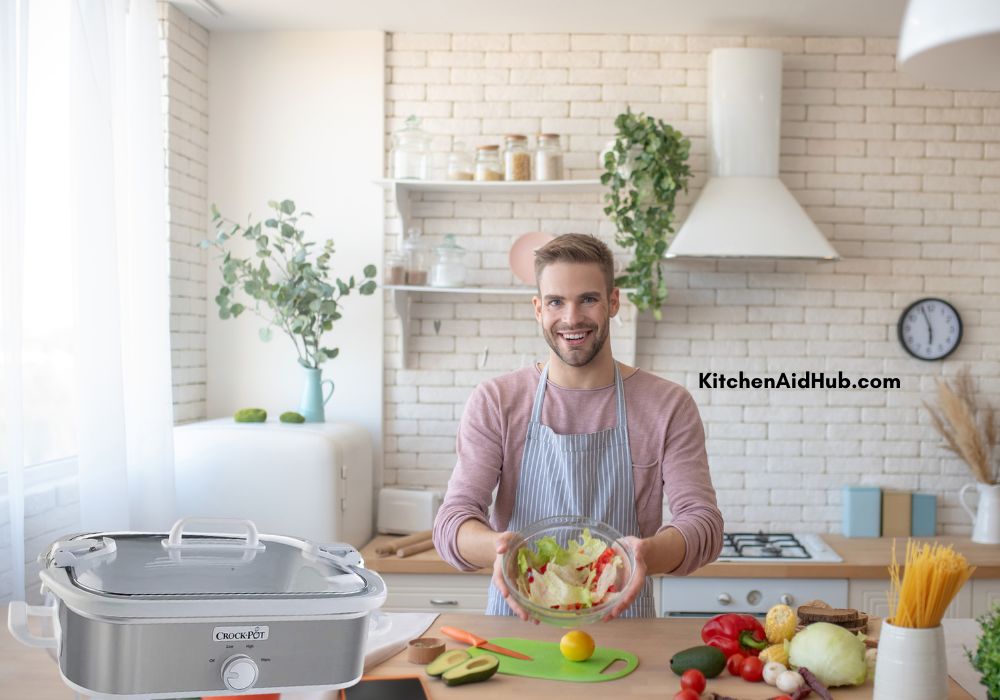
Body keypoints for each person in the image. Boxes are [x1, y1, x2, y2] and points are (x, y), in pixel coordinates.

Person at [432, 233, 723, 620]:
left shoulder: (667, 405)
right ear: (538, 309)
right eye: (556, 302)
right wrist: (500, 549)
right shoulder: (497, 401)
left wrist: (644, 555)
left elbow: (703, 525)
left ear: (613, 302)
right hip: (518, 627)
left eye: (588, 299)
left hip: (624, 630)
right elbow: (452, 522)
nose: (571, 318)